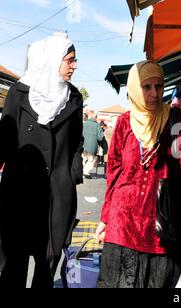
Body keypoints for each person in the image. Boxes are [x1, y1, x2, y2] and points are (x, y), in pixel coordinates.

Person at [95, 61, 181, 288]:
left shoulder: (179, 121)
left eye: (159, 86)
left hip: (161, 227)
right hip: (123, 224)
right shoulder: (124, 123)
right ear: (136, 89)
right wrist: (105, 217)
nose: (155, 94)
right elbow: (114, 174)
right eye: (147, 87)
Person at [0, 34, 83, 288]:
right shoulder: (19, 93)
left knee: (47, 264)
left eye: (74, 60)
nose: (75, 65)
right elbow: (4, 139)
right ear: (52, 60)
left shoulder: (74, 98)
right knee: (13, 263)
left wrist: (71, 176)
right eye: (70, 60)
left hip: (56, 197)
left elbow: (76, 142)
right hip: (19, 194)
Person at [82, 113, 103, 178]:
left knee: (83, 159)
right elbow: (100, 138)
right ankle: (85, 172)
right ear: (95, 118)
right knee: (91, 160)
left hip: (83, 145)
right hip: (92, 147)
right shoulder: (97, 126)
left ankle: (82, 171)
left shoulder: (84, 124)